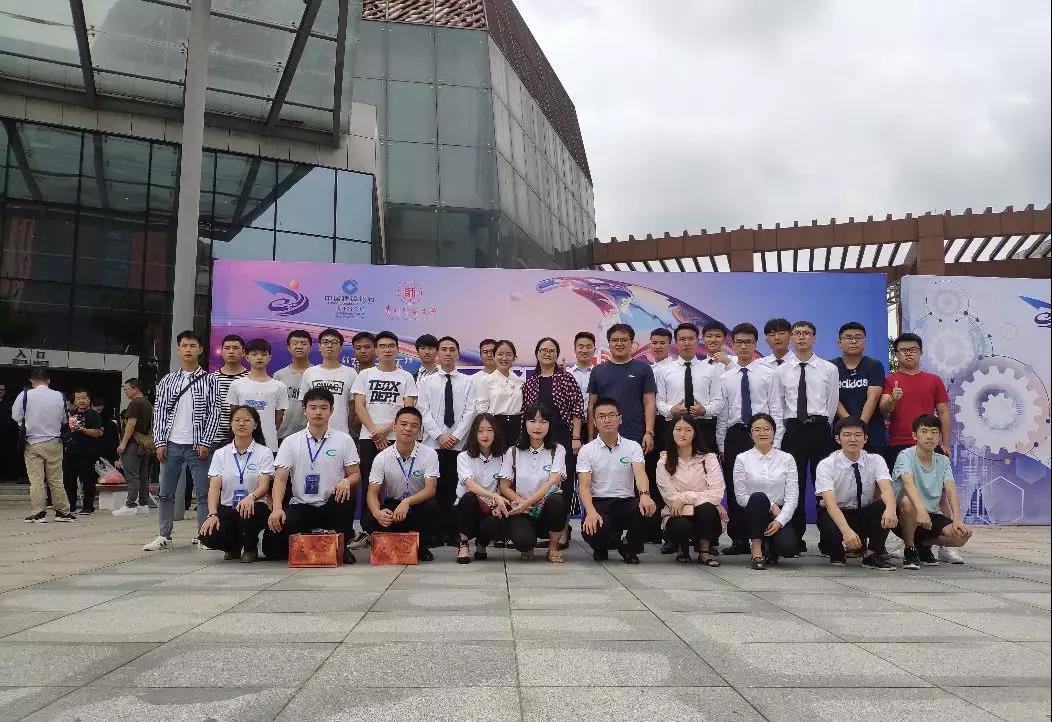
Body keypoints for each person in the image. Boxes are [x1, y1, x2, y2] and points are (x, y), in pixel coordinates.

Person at [880, 332, 961, 565]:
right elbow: (883, 409)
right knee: (902, 496)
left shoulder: (933, 380)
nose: (908, 353)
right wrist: (893, 398)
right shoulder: (891, 380)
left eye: (913, 349)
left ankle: (944, 547)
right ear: (896, 354)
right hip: (899, 443)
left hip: (930, 444)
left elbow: (943, 412)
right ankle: (907, 541)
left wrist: (945, 444)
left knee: (940, 495)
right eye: (903, 350)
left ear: (921, 352)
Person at [143, 330, 222, 551]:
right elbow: (159, 413)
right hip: (171, 444)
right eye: (184, 346)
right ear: (178, 350)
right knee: (165, 493)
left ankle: (204, 536)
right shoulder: (168, 380)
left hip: (198, 445)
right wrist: (160, 442)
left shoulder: (210, 380)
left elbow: (215, 413)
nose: (188, 350)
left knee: (204, 494)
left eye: (193, 346)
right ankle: (164, 535)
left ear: (200, 349)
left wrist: (206, 441)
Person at [267, 387, 361, 564]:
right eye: (313, 407)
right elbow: (280, 479)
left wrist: (346, 481)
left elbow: (355, 474)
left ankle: (342, 545)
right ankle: (311, 537)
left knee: (346, 498)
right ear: (305, 410)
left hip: (331, 504)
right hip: (301, 505)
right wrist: (277, 508)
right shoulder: (291, 441)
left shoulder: (344, 440)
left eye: (324, 408)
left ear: (332, 410)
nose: (318, 412)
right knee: (273, 549)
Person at [717, 323, 783, 555]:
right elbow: (723, 414)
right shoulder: (725, 377)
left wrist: (776, 441)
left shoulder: (768, 374)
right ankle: (738, 539)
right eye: (739, 342)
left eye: (748, 342)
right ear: (732, 345)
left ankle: (764, 536)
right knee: (736, 487)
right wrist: (721, 444)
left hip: (762, 434)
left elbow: (776, 409)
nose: (743, 347)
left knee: (762, 484)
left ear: (755, 344)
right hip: (735, 435)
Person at [775, 320, 839, 550]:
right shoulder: (781, 370)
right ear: (791, 338)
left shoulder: (828, 369)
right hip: (793, 429)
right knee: (795, 484)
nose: (801, 337)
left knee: (824, 483)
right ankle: (796, 537)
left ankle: (829, 539)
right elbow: (778, 405)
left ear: (814, 337)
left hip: (820, 428)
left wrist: (822, 424)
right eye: (797, 333)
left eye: (806, 333)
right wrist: (780, 436)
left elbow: (832, 403)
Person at [351, 330, 418, 546]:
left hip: (397, 438)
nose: (387, 350)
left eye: (391, 346)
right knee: (371, 484)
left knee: (395, 484)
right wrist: (374, 432)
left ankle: (392, 526)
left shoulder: (406, 377)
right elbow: (359, 406)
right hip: (368, 437)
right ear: (376, 350)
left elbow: (407, 409)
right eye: (382, 346)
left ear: (398, 350)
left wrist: (387, 430)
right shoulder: (365, 375)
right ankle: (368, 529)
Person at [522, 336, 584, 547]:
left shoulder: (566, 379)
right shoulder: (531, 382)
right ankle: (539, 529)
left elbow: (577, 410)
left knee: (564, 483)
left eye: (551, 350)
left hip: (563, 436)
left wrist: (576, 437)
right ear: (537, 353)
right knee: (540, 480)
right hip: (537, 439)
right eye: (543, 350)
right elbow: (526, 415)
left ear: (557, 354)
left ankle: (563, 531)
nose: (547, 354)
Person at [578, 397, 656, 564]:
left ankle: (628, 548)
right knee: (592, 528)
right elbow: (584, 487)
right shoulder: (587, 450)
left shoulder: (633, 446)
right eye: (602, 416)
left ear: (620, 419)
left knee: (647, 509)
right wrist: (590, 512)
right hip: (599, 503)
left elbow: (640, 473)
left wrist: (644, 494)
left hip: (625, 502)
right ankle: (601, 547)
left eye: (612, 415)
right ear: (594, 421)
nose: (607, 420)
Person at [814, 416, 897, 570]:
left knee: (885, 505)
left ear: (865, 439)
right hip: (837, 513)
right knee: (837, 557)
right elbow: (830, 505)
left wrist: (891, 509)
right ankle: (838, 548)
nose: (853, 439)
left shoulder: (876, 460)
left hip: (863, 512)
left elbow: (886, 489)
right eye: (847, 435)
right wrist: (846, 532)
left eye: (858, 435)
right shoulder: (826, 465)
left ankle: (872, 554)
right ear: (838, 439)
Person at [416, 335, 477, 547]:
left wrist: (456, 436)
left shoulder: (468, 382)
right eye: (444, 349)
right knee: (434, 489)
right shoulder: (426, 382)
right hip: (433, 445)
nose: (448, 353)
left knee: (455, 489)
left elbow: (470, 412)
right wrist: (439, 436)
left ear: (458, 354)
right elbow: (423, 412)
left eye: (452, 349)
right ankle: (434, 532)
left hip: (458, 445)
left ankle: (453, 532)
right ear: (437, 354)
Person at [892, 414, 972, 570]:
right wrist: (921, 511)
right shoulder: (905, 455)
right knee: (908, 502)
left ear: (940, 437)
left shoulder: (943, 461)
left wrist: (957, 520)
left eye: (934, 432)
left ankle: (921, 545)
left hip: (929, 515)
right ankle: (909, 549)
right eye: (924, 431)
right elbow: (908, 483)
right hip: (902, 515)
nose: (929, 436)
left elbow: (951, 491)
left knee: (959, 537)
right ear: (915, 435)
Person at [362, 406, 441, 562]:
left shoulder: (429, 454)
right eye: (403, 424)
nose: (408, 429)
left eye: (414, 425)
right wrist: (378, 513)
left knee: (432, 506)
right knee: (368, 518)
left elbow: (430, 490)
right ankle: (395, 544)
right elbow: (372, 492)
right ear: (394, 426)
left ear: (419, 430)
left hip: (417, 505)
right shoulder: (382, 457)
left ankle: (421, 547)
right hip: (394, 506)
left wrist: (407, 502)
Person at [198, 406, 274, 562]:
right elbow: (214, 487)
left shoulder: (264, 452)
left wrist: (251, 497)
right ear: (231, 424)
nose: (241, 424)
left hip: (255, 505)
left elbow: (264, 485)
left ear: (255, 425)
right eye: (237, 420)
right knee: (207, 534)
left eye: (246, 420)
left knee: (247, 512)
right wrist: (212, 514)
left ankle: (250, 547)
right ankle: (233, 546)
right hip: (228, 507)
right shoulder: (221, 453)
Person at [498, 403, 569, 563]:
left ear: (549, 425)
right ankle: (528, 542)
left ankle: (553, 547)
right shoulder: (513, 451)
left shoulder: (557, 450)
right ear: (525, 424)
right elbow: (504, 486)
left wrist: (528, 502)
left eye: (543, 422)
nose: (537, 426)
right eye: (533, 421)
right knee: (523, 543)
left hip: (547, 509)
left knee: (557, 501)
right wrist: (523, 504)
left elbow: (552, 482)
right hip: (522, 510)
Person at [656, 413, 726, 564]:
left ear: (694, 433)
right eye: (678, 429)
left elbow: (716, 494)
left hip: (704, 514)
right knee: (682, 524)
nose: (682, 434)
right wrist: (698, 500)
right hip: (676, 514)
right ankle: (683, 548)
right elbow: (670, 499)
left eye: (688, 430)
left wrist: (684, 497)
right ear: (671, 432)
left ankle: (704, 552)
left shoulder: (708, 458)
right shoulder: (663, 462)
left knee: (707, 509)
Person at [733, 413, 799, 570]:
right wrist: (770, 505)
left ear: (774, 433)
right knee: (758, 497)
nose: (762, 433)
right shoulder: (742, 459)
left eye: (767, 429)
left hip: (778, 514)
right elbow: (741, 497)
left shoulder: (787, 459)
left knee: (788, 548)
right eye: (757, 429)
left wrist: (780, 520)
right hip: (752, 513)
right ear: (750, 434)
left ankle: (769, 547)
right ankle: (756, 550)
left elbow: (792, 497)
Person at [587, 324, 657, 454]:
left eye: (624, 340)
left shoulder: (644, 368)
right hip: (604, 435)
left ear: (632, 343)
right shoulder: (597, 371)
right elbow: (592, 405)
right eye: (615, 340)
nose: (619, 344)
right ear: (609, 343)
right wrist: (591, 436)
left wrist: (649, 433)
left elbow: (650, 403)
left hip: (635, 434)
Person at [15, 368, 74, 523]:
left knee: (36, 480)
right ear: (48, 380)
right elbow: (64, 420)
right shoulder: (59, 396)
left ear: (32, 380)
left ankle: (39, 513)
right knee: (56, 480)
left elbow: (16, 416)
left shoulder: (25, 395)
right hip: (54, 442)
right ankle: (62, 512)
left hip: (32, 443)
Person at [656, 322, 723, 454]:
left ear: (698, 342)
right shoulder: (664, 371)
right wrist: (671, 410)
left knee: (705, 464)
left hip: (703, 427)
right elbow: (659, 402)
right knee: (673, 464)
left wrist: (704, 410)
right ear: (676, 343)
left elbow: (719, 402)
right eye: (682, 339)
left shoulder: (710, 370)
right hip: (674, 425)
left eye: (691, 339)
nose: (686, 343)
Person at [454, 413, 509, 564]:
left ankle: (481, 544)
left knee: (497, 519)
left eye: (490, 430)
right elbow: (470, 485)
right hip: (468, 507)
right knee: (469, 497)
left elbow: (502, 485)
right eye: (480, 431)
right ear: (474, 433)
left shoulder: (503, 457)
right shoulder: (464, 457)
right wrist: (494, 496)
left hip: (490, 507)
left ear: (496, 433)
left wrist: (497, 503)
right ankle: (463, 544)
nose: (485, 435)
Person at [833, 322, 887, 455]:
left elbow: (873, 397)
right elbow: (833, 398)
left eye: (858, 337)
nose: (853, 341)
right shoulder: (831, 367)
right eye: (848, 337)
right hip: (841, 433)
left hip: (872, 433)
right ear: (839, 342)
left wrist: (860, 428)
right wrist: (851, 428)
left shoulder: (874, 365)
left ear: (865, 342)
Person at [226, 338, 288, 453]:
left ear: (270, 357)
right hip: (242, 444)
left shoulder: (279, 386)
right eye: (254, 354)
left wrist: (267, 429)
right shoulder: (236, 384)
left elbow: (279, 417)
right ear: (247, 357)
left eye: (264, 354)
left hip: (269, 444)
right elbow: (234, 414)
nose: (259, 358)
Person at [646, 326, 674, 545]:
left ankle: (670, 527)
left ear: (670, 344)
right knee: (648, 474)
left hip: (668, 425)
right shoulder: (645, 368)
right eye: (654, 343)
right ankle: (650, 527)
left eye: (662, 343)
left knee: (667, 473)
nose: (657, 347)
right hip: (648, 425)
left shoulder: (675, 369)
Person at [300, 328, 358, 435]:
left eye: (334, 342)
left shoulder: (351, 373)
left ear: (341, 348)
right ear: (319, 347)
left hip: (340, 431)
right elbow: (304, 402)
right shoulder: (309, 372)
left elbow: (353, 405)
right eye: (325, 342)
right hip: (313, 431)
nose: (329, 345)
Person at [114, 378, 153, 516]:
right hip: (145, 444)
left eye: (127, 389)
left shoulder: (135, 403)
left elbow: (131, 424)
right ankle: (143, 504)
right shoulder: (147, 403)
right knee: (143, 475)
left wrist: (123, 443)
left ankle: (130, 504)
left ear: (135, 389)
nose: (125, 392)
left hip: (133, 444)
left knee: (132, 475)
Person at [474, 339, 524, 446]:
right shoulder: (486, 380)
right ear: (494, 356)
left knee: (514, 455)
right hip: (494, 426)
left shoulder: (520, 381)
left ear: (514, 357)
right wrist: (486, 430)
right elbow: (482, 407)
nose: (504, 358)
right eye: (500, 354)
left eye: (508, 354)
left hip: (516, 427)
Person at [62, 389, 104, 515]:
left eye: (84, 398)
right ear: (74, 401)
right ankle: (71, 506)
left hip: (87, 453)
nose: (81, 401)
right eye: (78, 398)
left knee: (88, 481)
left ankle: (88, 507)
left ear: (89, 400)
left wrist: (81, 429)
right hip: (70, 452)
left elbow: (97, 432)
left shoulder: (93, 415)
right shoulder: (71, 414)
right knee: (69, 481)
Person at [274, 330, 312, 444]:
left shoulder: (315, 374)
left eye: (304, 343)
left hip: (309, 434)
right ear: (288, 348)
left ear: (310, 347)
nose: (299, 346)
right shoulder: (279, 375)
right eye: (295, 343)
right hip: (282, 434)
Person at [211, 334, 249, 447]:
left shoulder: (251, 379)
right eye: (227, 348)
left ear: (244, 353)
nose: (231, 351)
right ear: (222, 352)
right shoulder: (211, 379)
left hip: (242, 438)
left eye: (236, 348)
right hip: (215, 439)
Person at [567, 331, 596, 412]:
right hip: (571, 418)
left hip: (593, 418)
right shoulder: (567, 374)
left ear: (594, 350)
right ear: (575, 350)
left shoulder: (599, 374)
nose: (584, 350)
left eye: (588, 347)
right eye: (581, 347)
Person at [92, 395, 120, 466]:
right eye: (97, 410)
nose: (99, 412)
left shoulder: (110, 424)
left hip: (107, 455)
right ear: (92, 407)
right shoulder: (88, 421)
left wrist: (116, 458)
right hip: (92, 455)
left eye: (101, 410)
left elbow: (115, 441)